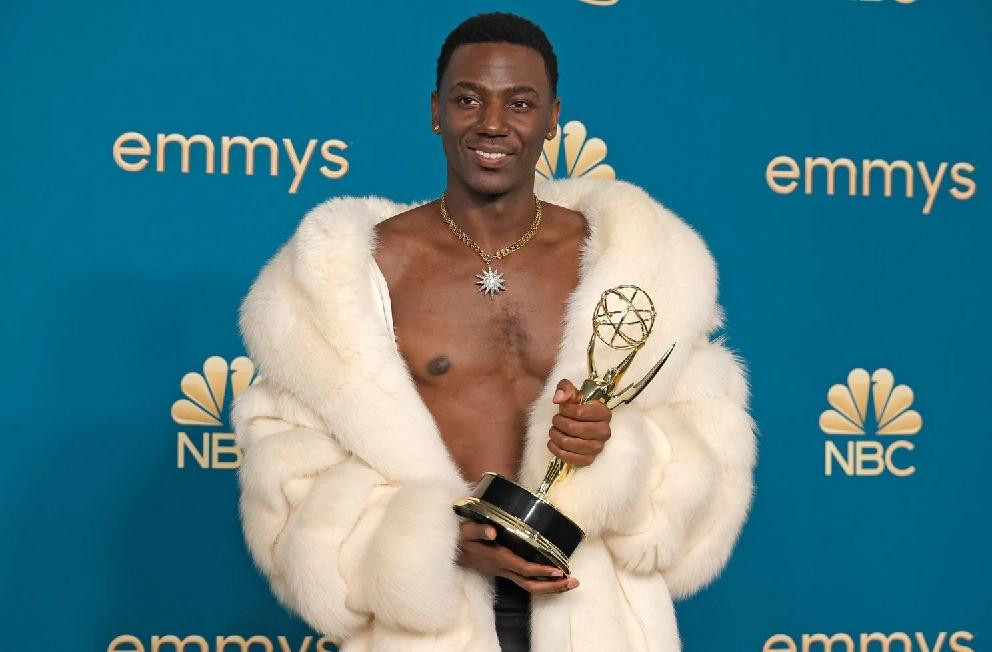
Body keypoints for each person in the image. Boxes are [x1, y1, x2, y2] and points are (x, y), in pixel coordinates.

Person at [231, 11, 757, 652]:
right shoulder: (362, 272)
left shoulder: (634, 268)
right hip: (427, 626)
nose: (492, 123)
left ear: (552, 117)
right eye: (468, 99)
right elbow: (289, 484)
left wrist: (613, 450)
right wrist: (426, 541)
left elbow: (707, 463)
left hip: (598, 619)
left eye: (521, 102)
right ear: (435, 111)